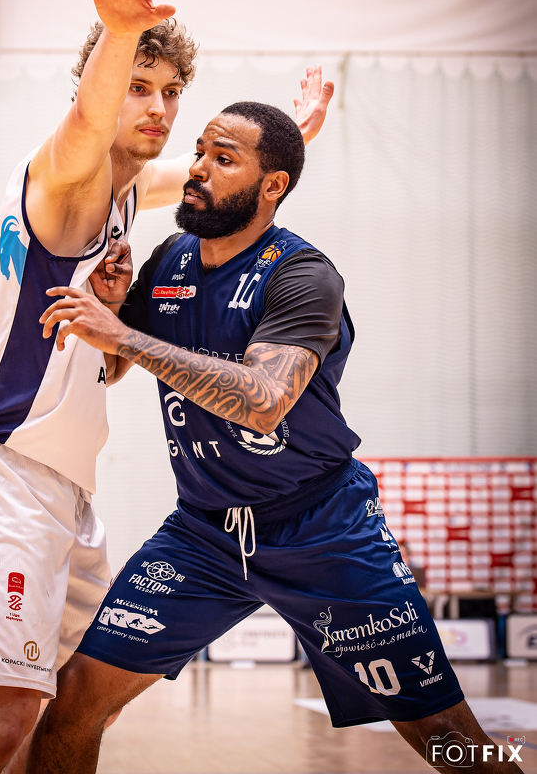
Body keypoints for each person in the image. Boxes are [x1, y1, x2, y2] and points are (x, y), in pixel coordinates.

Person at [0, 0, 333, 774]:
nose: (157, 107)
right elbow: (86, 122)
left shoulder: (127, 187)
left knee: (75, 709)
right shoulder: (65, 176)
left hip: (63, 487)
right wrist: (118, 34)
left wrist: (293, 140)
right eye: (138, 86)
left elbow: (207, 177)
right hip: (3, 472)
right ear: (101, 84)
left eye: (170, 91)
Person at [31, 102, 523, 774]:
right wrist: (116, 309)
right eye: (199, 151)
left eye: (222, 159)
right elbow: (118, 364)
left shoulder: (302, 275)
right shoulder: (171, 259)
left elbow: (262, 403)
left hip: (322, 530)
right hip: (204, 534)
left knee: (443, 730)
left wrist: (121, 333)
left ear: (272, 186)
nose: (197, 168)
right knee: (74, 703)